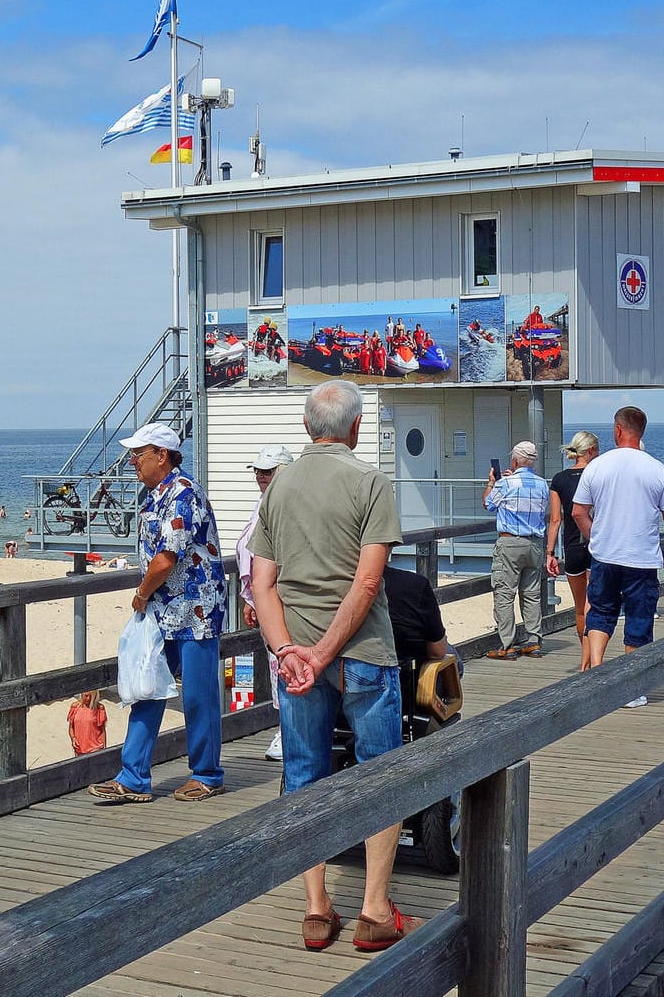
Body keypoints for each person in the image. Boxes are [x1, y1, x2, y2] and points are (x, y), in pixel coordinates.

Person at [248, 380, 419, 953]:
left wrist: (286, 651)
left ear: (305, 427)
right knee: (380, 773)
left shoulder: (278, 486)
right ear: (355, 427)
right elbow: (369, 581)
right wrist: (326, 652)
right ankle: (374, 908)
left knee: (303, 773)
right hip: (364, 652)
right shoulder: (370, 482)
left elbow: (260, 584)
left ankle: (317, 909)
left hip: (295, 657)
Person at [89, 422, 227, 807]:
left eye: (139, 454)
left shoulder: (182, 495)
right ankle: (133, 777)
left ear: (161, 456)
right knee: (146, 688)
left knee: (199, 696)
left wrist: (140, 593)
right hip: (165, 611)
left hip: (195, 610)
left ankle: (207, 774)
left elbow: (166, 559)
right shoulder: (155, 496)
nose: (132, 461)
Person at [571, 406, 664, 684]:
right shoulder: (656, 469)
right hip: (642, 558)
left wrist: (594, 536)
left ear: (618, 429)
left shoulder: (598, 465)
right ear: (641, 431)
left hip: (605, 555)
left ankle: (596, 669)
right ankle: (633, 686)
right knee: (639, 618)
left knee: (601, 610)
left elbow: (577, 511)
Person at [234, 443, 296, 762]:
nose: (260, 476)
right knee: (277, 665)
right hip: (264, 596)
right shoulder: (264, 503)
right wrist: (250, 598)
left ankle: (291, 731)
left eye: (267, 471)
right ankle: (288, 728)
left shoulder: (284, 505)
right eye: (258, 471)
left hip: (281, 598)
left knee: (284, 663)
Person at [483, 441, 551, 660]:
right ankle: (533, 641)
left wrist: (492, 483)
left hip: (510, 543)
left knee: (504, 593)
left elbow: (488, 504)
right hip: (535, 544)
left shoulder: (506, 484)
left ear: (514, 460)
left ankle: (507, 645)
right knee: (531, 594)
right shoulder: (542, 484)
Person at [546, 431, 600, 658]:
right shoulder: (598, 475)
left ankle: (584, 659)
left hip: (571, 547)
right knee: (593, 605)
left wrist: (550, 553)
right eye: (597, 449)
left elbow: (555, 519)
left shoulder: (559, 479)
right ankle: (593, 660)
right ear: (590, 450)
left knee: (579, 608)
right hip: (597, 543)